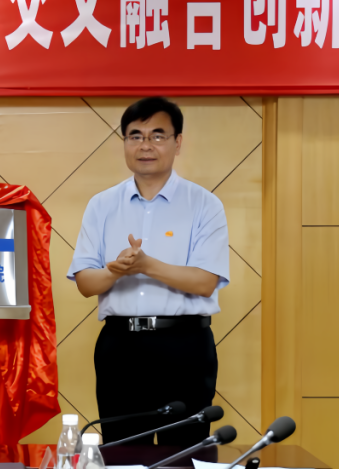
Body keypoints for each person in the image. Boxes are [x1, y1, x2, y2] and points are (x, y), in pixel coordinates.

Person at [68, 97, 229, 446]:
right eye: (135, 136)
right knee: (122, 453)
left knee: (184, 454)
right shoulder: (101, 205)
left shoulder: (205, 204)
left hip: (185, 347)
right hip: (120, 348)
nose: (145, 145)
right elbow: (85, 283)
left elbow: (205, 282)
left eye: (157, 136)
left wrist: (145, 265)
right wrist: (116, 270)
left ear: (177, 142)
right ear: (124, 142)